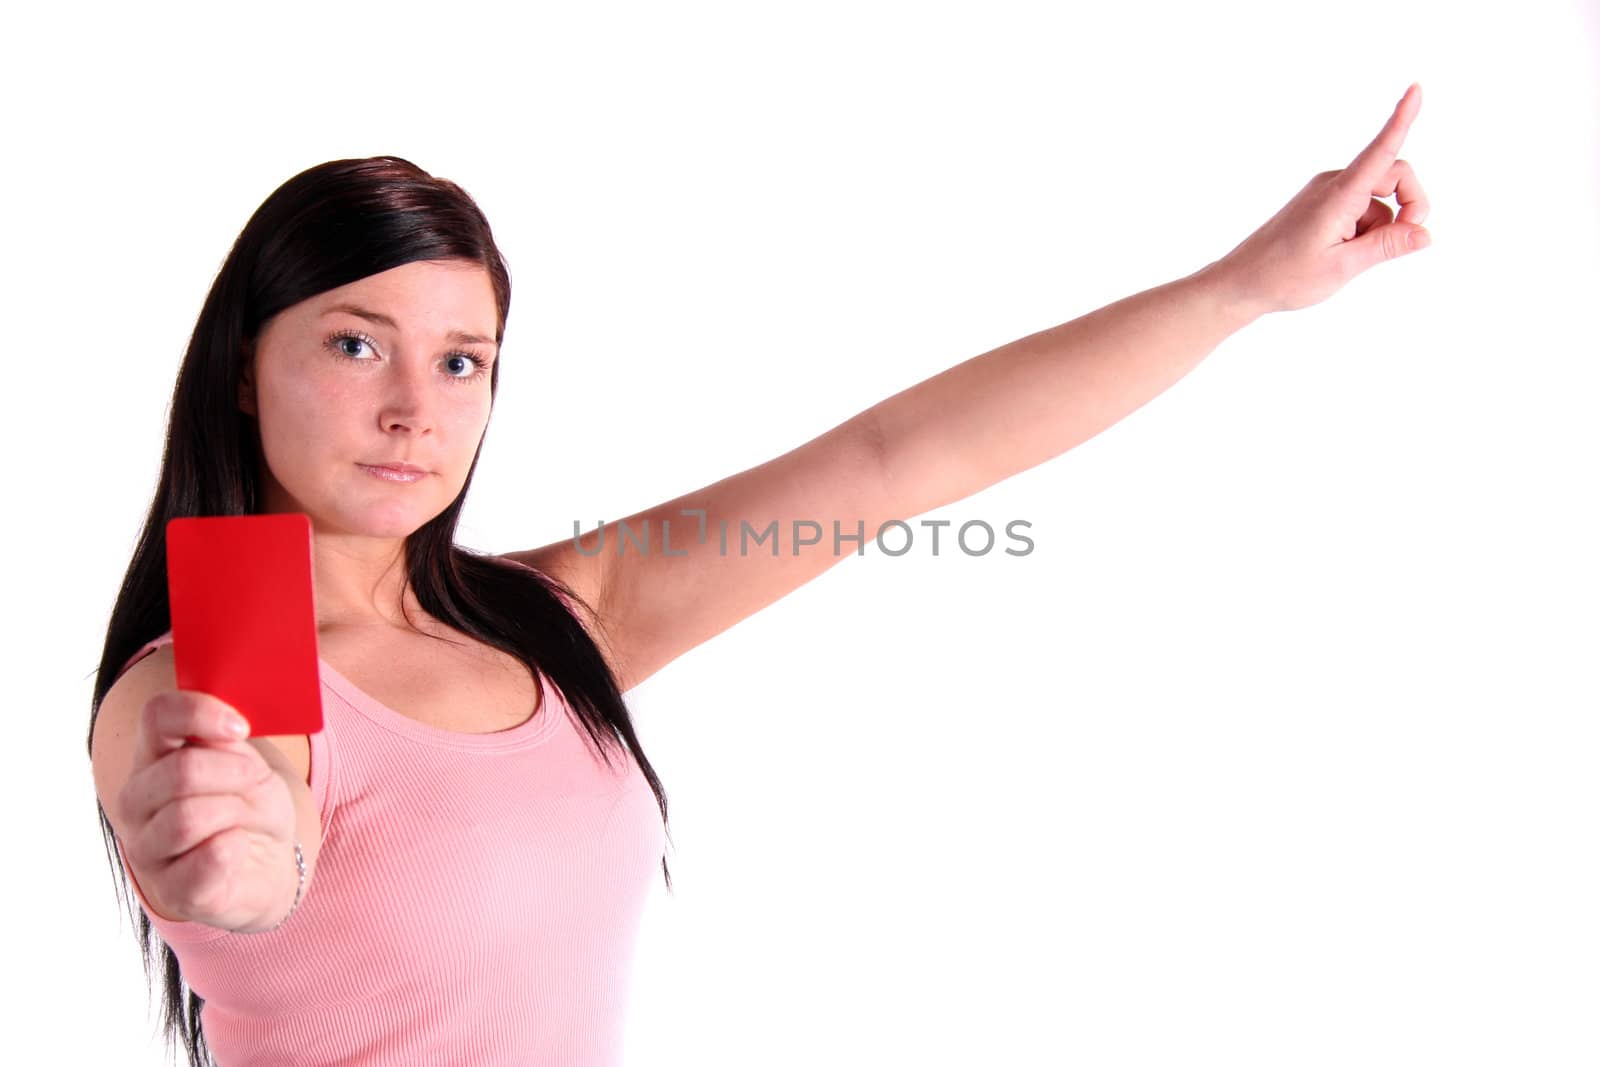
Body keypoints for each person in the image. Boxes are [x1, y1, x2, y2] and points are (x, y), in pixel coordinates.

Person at [87, 84, 1431, 1066]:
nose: (414, 410)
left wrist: (1245, 287)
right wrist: (235, 869)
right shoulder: (233, 632)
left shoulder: (553, 621)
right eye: (352, 344)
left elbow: (896, 462)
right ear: (241, 368)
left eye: (460, 360)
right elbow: (249, 832)